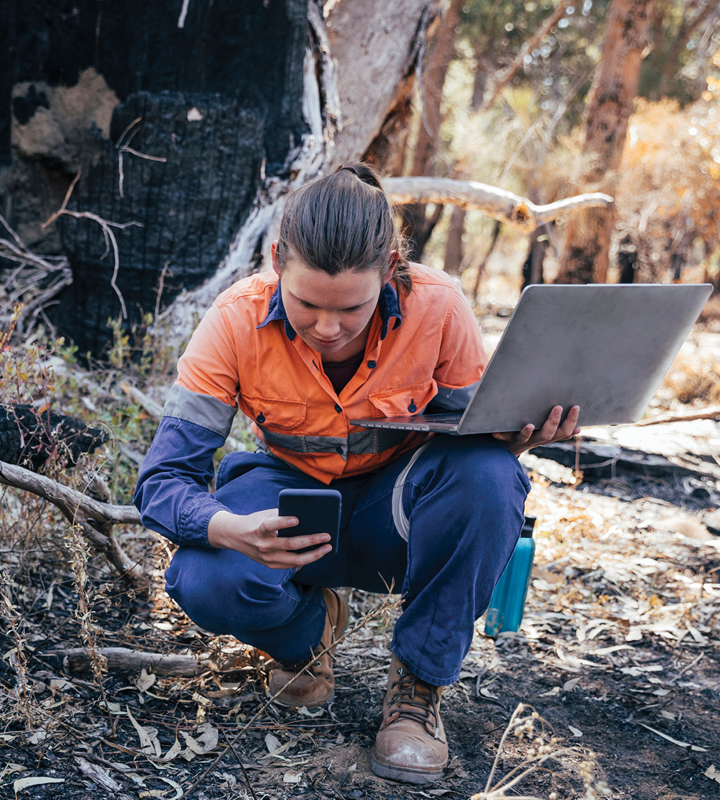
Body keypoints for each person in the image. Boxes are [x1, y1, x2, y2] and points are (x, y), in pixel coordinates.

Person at [133, 163, 579, 784]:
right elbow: (162, 482)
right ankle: (308, 638)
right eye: (307, 304)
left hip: (395, 515)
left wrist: (519, 436)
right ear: (276, 258)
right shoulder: (234, 320)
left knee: (490, 474)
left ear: (391, 267)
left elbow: (474, 456)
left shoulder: (440, 306)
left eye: (353, 308)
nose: (329, 329)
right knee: (201, 576)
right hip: (291, 508)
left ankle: (418, 689)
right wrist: (228, 527)